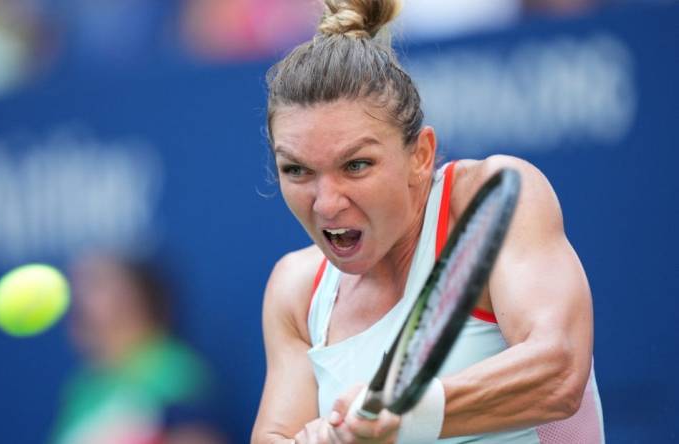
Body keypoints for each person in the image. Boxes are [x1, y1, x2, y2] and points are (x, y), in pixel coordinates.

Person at [251, 1, 604, 443]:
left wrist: (400, 412)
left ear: (420, 156)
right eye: (297, 170)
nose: (326, 204)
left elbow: (559, 370)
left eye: (356, 165)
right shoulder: (297, 290)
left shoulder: (489, 203)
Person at [51, 253, 225, 444]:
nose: (75, 298)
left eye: (94, 284)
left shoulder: (169, 372)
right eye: (74, 285)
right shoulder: (82, 390)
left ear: (135, 296)